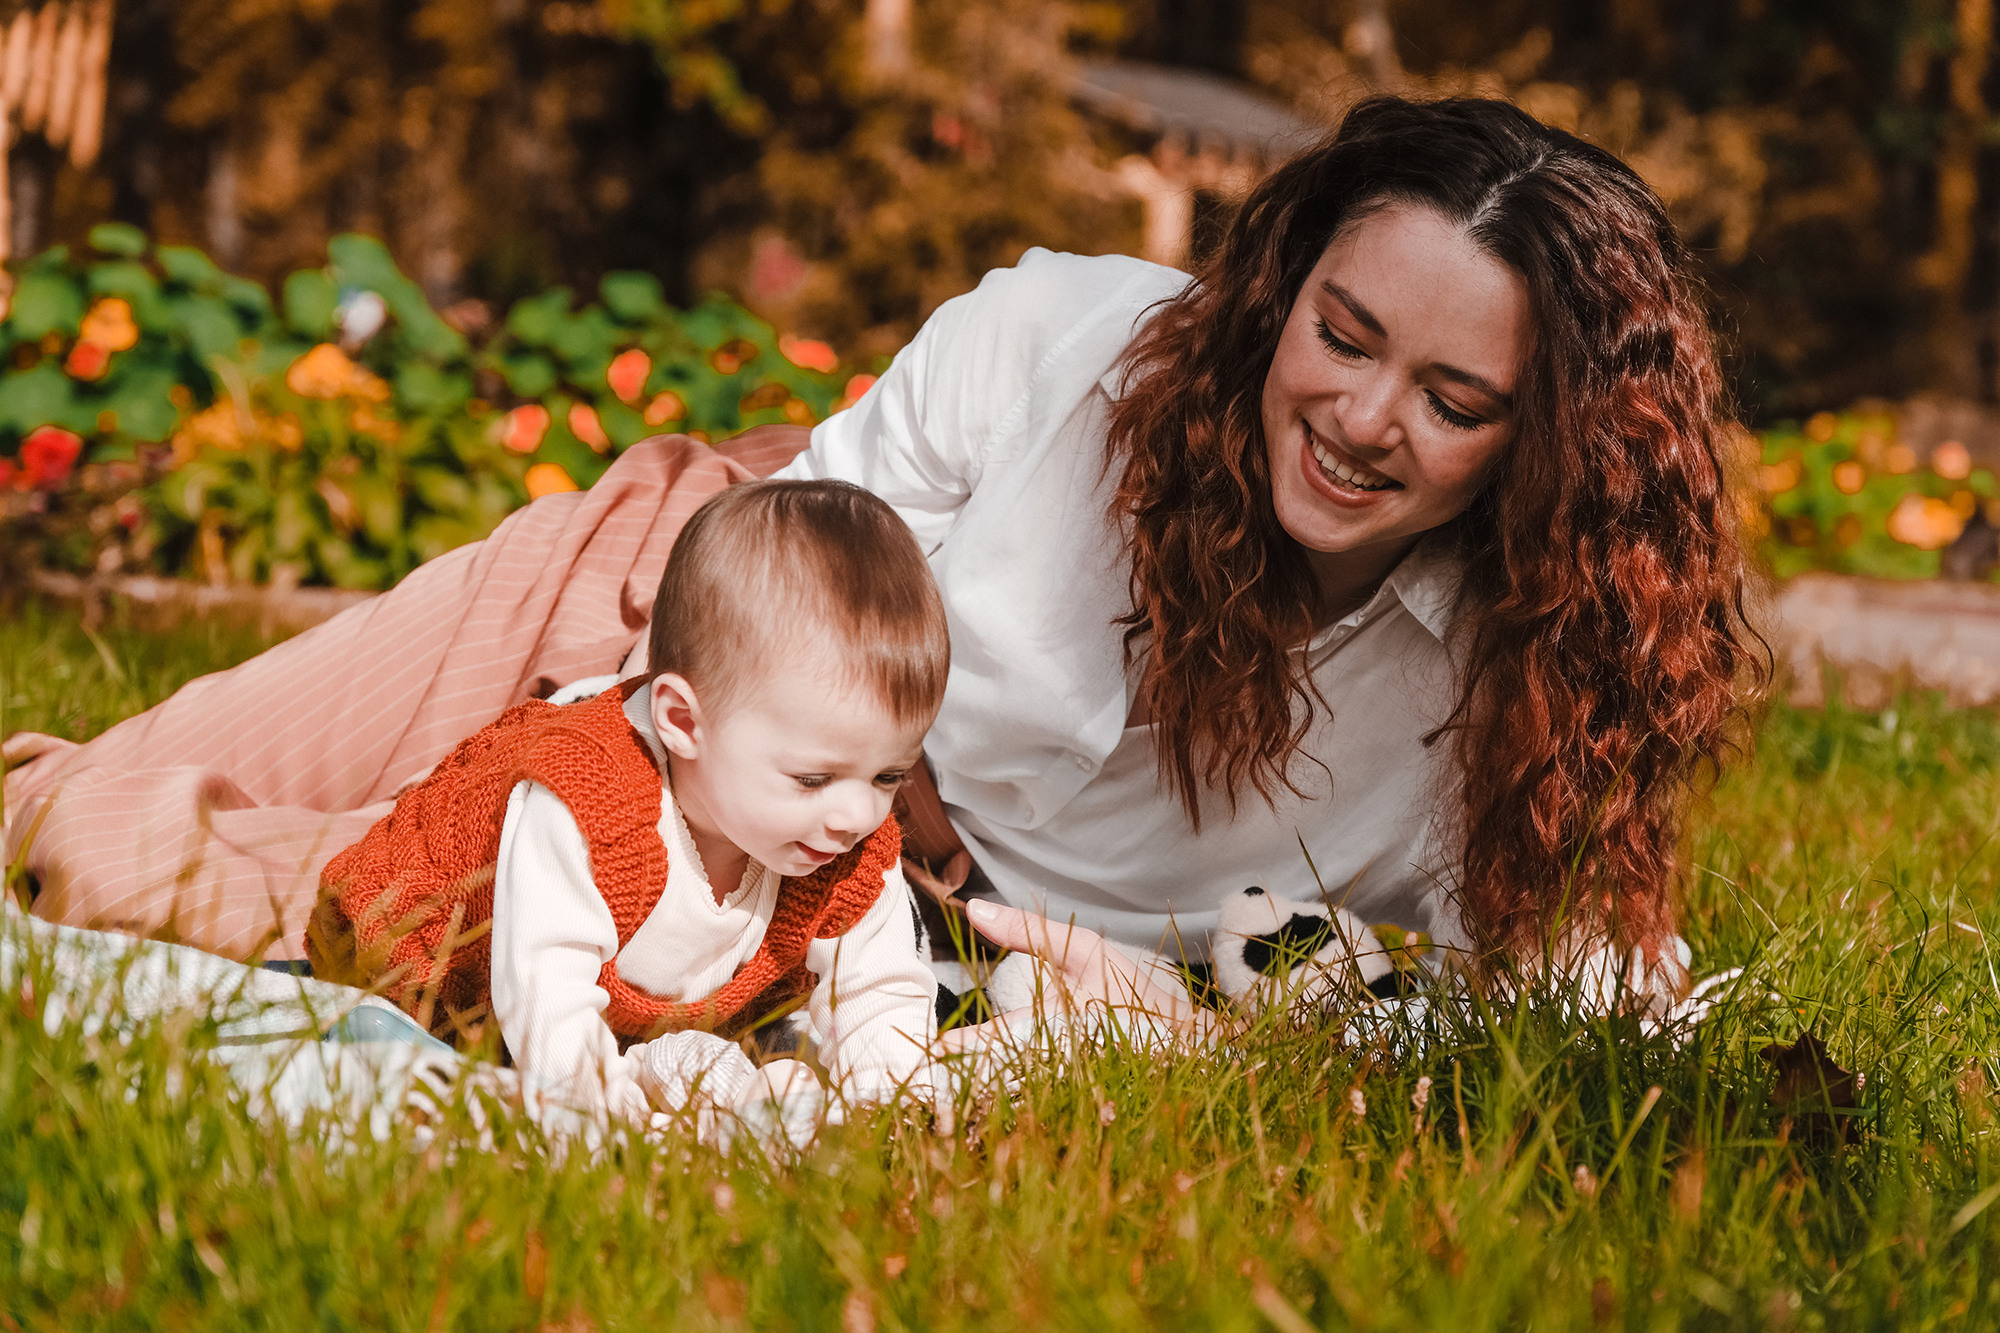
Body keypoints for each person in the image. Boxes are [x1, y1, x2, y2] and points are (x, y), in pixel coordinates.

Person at [2, 96, 1760, 1034]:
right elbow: (773, 581)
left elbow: (1571, 1017)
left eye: (1454, 399)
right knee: (89, 792)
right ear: (1282, 291)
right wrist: (636, 753)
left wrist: (1206, 1017)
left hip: (833, 883)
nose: (1365, 418)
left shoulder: (1513, 683)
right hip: (685, 604)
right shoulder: (1070, 341)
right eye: (1344, 332)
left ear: (1548, 445)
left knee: (126, 861)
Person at [304, 479, 945, 1123]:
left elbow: (880, 988)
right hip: (426, 971)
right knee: (401, 1066)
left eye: (889, 777)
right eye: (813, 779)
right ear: (683, 723)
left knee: (772, 1061)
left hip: (640, 1005)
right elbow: (545, 996)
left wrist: (893, 1107)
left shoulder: (844, 840)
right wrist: (609, 1130)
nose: (858, 815)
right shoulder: (590, 803)